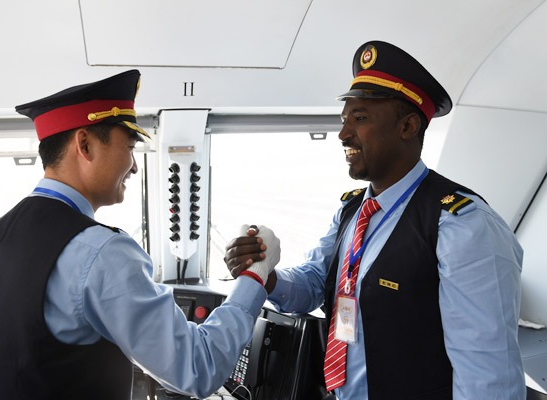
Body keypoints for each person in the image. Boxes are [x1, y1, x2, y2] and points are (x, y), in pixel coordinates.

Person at [224, 41, 526, 399]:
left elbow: (487, 378)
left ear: (408, 126)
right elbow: (315, 282)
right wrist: (266, 276)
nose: (343, 134)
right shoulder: (352, 211)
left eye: (360, 118)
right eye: (344, 119)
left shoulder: (462, 225)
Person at [0, 70, 280, 400]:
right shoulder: (101, 253)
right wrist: (254, 279)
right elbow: (197, 370)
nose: (134, 167)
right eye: (129, 147)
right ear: (84, 144)